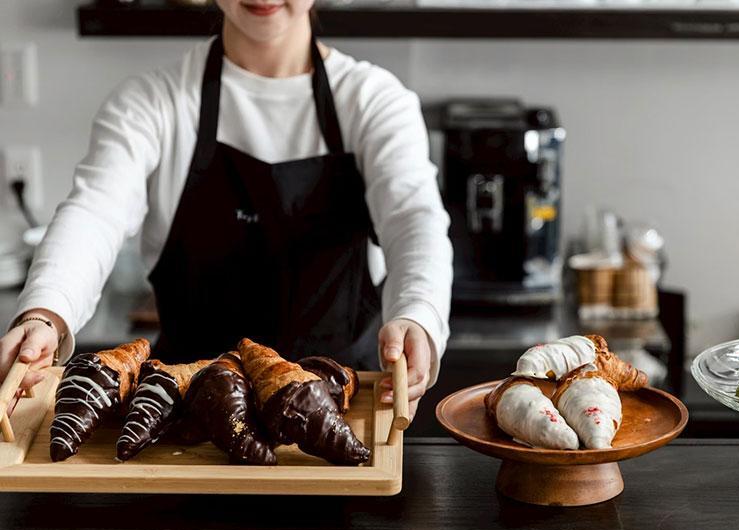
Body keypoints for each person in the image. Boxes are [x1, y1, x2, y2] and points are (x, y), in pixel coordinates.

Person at [0, 0, 452, 419]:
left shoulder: (375, 100)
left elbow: (414, 220)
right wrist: (46, 313)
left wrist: (418, 312)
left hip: (335, 418)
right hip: (180, 421)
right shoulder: (154, 101)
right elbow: (93, 214)